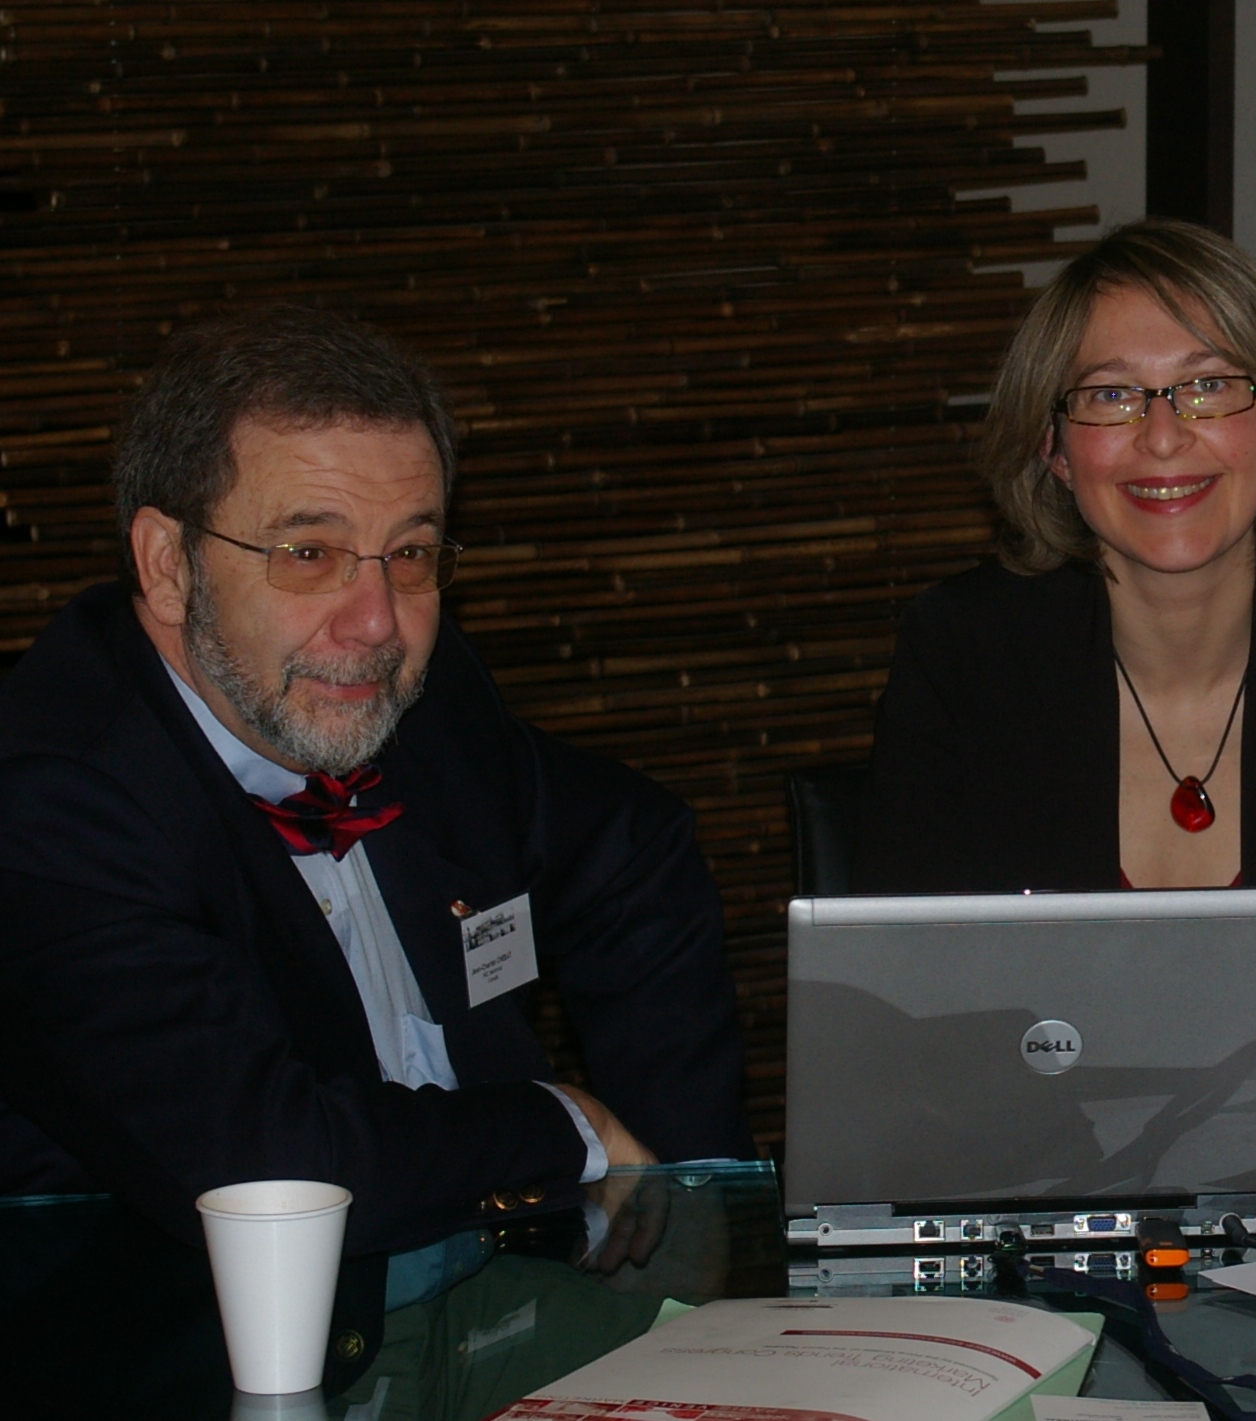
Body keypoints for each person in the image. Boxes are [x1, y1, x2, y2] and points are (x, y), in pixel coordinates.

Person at [0, 307, 751, 1373]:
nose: (377, 621)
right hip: (198, 1364)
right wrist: (567, 1124)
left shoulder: (410, 698)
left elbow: (632, 848)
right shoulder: (51, 801)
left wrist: (687, 1190)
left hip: (497, 1300)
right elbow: (268, 1169)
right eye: (308, 553)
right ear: (167, 564)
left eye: (411, 552)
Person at [853, 219, 1256, 1148]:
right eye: (1110, 395)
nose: (1161, 436)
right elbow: (919, 999)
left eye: (1207, 386)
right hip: (1031, 1177)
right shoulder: (961, 653)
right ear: (1053, 445)